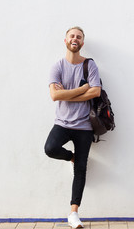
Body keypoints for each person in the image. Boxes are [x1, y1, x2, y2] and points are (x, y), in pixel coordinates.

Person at [44, 26, 101, 228]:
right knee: (50, 149)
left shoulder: (90, 65)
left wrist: (68, 93)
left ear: (82, 43)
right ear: (66, 40)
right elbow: (54, 96)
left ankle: (73, 213)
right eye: (72, 36)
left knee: (81, 169)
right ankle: (71, 156)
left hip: (84, 126)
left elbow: (95, 92)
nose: (75, 39)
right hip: (62, 122)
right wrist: (81, 89)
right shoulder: (57, 67)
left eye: (78, 37)